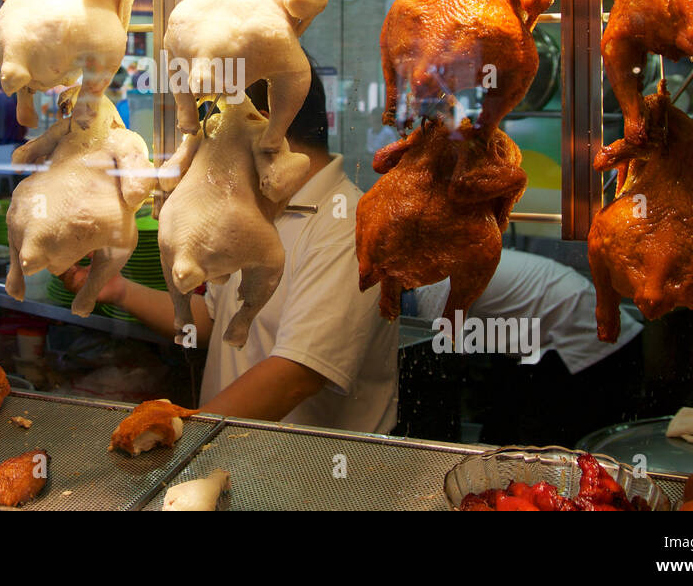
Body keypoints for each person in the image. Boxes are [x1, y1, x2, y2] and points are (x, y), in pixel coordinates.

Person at [64, 59, 398, 434]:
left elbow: (295, 375)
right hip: (234, 467)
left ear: (263, 127)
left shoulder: (347, 225)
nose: (207, 152)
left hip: (307, 483)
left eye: (213, 133)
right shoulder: (256, 207)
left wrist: (183, 435)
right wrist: (119, 290)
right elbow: (212, 321)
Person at [407, 248, 646, 445]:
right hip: (563, 334)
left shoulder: (435, 283)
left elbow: (442, 360)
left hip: (588, 341)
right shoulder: (442, 264)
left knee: (550, 445)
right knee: (507, 429)